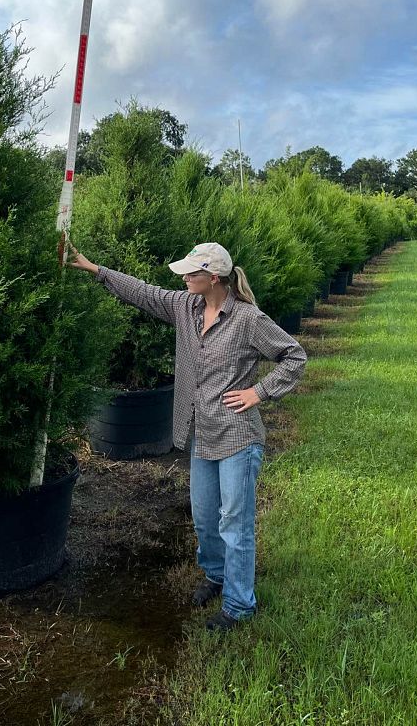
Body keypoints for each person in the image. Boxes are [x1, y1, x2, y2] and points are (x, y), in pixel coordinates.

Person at [68, 241, 307, 632]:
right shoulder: (186, 306)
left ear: (213, 277)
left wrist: (258, 392)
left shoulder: (248, 319)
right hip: (202, 434)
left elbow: (294, 356)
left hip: (237, 437)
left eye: (191, 273)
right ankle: (215, 575)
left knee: (235, 522)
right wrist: (93, 269)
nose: (183, 277)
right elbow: (143, 293)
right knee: (204, 518)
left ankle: (239, 603)